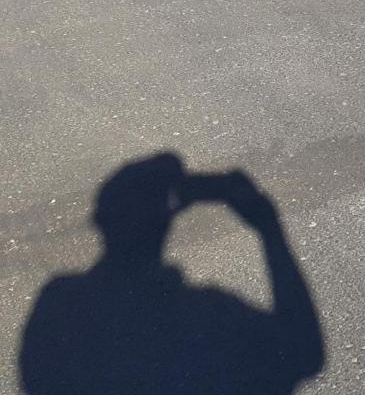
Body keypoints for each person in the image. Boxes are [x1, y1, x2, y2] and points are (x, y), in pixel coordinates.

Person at [18, 153, 325, 395]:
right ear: (167, 223)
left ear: (101, 221)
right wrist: (269, 229)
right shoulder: (205, 319)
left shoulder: (59, 306)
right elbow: (304, 354)